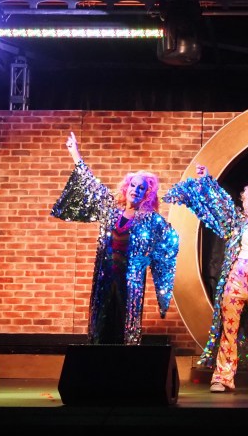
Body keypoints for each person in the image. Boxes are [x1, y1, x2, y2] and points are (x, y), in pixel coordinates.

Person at [164, 165, 248, 393]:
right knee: (229, 329)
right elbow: (222, 205)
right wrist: (207, 180)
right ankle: (222, 378)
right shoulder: (240, 224)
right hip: (237, 278)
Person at [51, 131, 180, 345]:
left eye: (142, 188)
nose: (136, 190)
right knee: (102, 321)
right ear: (126, 187)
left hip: (130, 281)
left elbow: (171, 242)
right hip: (106, 276)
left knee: (124, 324)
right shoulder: (111, 211)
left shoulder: (151, 220)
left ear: (147, 194)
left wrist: (147, 259)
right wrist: (75, 153)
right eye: (133, 185)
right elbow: (91, 186)